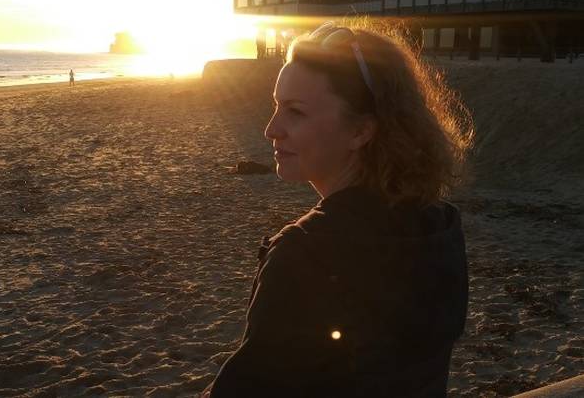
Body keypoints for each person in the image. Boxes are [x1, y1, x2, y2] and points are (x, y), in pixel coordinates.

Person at [202, 22, 473, 397]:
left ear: (361, 131)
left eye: (295, 112)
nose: (271, 129)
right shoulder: (440, 225)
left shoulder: (304, 254)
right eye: (276, 106)